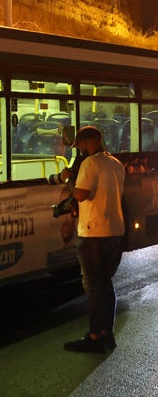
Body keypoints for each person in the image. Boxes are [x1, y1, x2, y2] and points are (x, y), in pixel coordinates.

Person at [63, 126, 125, 353]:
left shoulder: (90, 163)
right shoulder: (116, 163)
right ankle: (107, 333)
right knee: (105, 285)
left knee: (94, 287)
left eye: (80, 145)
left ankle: (95, 337)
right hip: (115, 231)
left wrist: (68, 181)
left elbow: (81, 194)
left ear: (86, 142)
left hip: (93, 233)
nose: (80, 149)